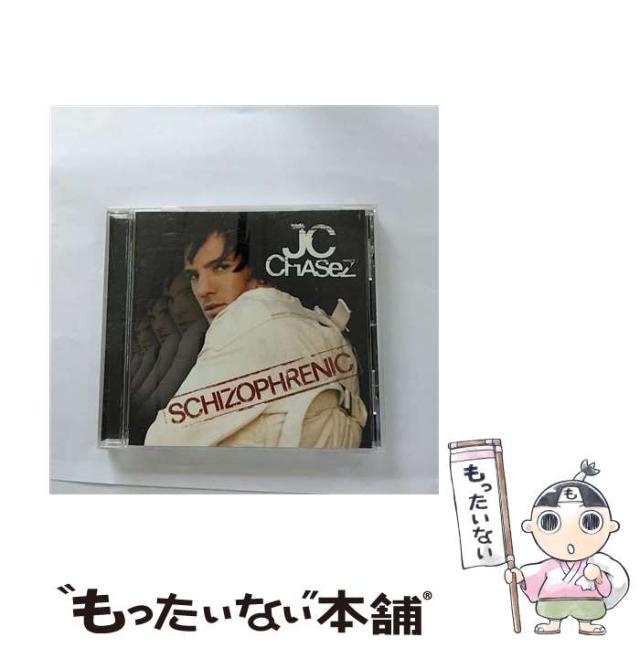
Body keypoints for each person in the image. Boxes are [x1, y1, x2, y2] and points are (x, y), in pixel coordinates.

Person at [144, 213, 367, 447]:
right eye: (194, 276)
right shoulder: (316, 324)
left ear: (258, 268)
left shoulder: (247, 319)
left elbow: (161, 443)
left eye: (220, 267)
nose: (202, 289)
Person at [505, 460, 629, 635]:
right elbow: (535, 575)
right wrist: (519, 576)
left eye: (590, 522)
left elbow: (605, 589)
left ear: (610, 526)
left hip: (588, 603)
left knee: (589, 609)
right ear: (530, 526)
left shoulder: (594, 563)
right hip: (552, 602)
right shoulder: (549, 566)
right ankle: (553, 623)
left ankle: (586, 623)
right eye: (550, 522)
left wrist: (599, 577)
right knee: (550, 609)